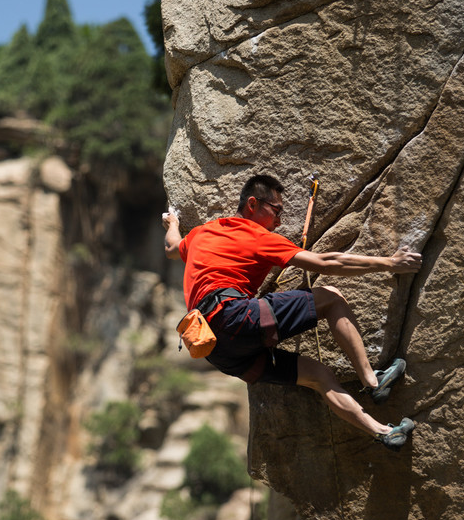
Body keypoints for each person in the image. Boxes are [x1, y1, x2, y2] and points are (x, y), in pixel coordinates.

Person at [162, 174, 422, 450]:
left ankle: (383, 432)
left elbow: (171, 248)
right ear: (253, 203)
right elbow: (324, 262)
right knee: (331, 298)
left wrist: (173, 223)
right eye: (276, 211)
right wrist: (389, 263)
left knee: (319, 376)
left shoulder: (201, 234)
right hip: (235, 316)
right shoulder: (255, 236)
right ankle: (373, 380)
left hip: (216, 350)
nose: (279, 221)